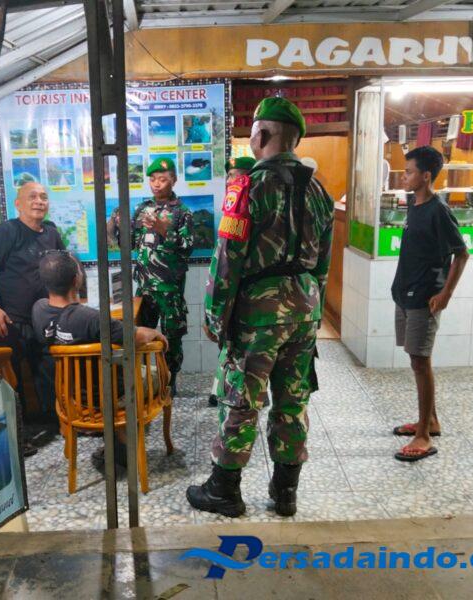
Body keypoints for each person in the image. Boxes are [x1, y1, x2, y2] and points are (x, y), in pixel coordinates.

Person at [186, 97, 334, 518]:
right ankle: (286, 492)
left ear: (262, 134)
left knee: (242, 398)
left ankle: (224, 490)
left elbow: (227, 258)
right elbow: (323, 264)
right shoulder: (320, 191)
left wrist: (215, 316)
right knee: (293, 400)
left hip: (259, 313)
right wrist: (313, 312)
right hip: (305, 310)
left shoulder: (248, 187)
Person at [31, 251, 167, 471]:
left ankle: (116, 437)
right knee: (158, 373)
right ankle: (124, 441)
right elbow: (137, 336)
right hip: (112, 395)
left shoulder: (38, 310)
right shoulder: (91, 319)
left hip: (72, 397)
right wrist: (156, 334)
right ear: (76, 280)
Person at [391, 146, 469, 462]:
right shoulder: (415, 204)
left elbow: (461, 254)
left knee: (421, 362)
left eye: (409, 172)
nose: (404, 176)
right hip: (405, 293)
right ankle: (430, 421)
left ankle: (423, 435)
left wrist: (445, 294)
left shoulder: (438, 210)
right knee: (415, 359)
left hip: (425, 298)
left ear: (425, 176)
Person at [0, 181, 65, 454]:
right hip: (5, 321)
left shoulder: (51, 233)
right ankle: (16, 437)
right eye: (32, 197)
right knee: (8, 382)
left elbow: (62, 269)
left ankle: (56, 423)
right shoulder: (6, 232)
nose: (39, 201)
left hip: (40, 320)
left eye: (43, 197)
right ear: (18, 204)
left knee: (49, 372)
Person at [117, 157, 194, 397]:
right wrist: (119, 227)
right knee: (140, 336)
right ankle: (143, 382)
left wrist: (163, 230)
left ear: (174, 180)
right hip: (144, 287)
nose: (156, 184)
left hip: (169, 289)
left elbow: (187, 247)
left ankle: (170, 382)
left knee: (172, 338)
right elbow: (130, 244)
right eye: (152, 179)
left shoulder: (182, 212)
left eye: (162, 179)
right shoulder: (142, 209)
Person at [207, 156, 258, 408]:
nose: (231, 181)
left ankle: (225, 394)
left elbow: (226, 265)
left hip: (245, 301)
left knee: (238, 370)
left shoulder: (241, 199)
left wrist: (213, 316)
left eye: (236, 175)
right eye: (229, 176)